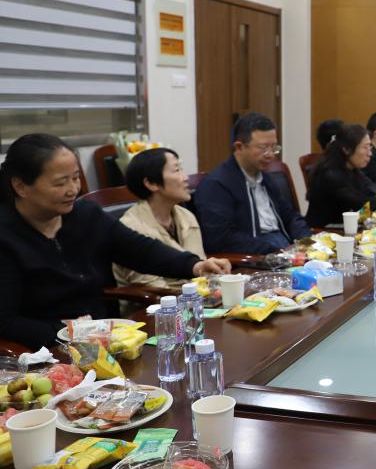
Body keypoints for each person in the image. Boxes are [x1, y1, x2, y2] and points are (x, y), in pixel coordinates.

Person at [0, 134, 229, 349]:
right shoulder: (6, 237)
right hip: (46, 352)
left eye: (76, 178)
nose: (73, 190)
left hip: (107, 341)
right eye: (60, 183)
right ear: (21, 186)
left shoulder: (86, 216)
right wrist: (69, 335)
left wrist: (194, 265)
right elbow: (6, 321)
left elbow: (141, 250)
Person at [193, 113, 310, 254]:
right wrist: (278, 252)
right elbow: (222, 239)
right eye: (263, 148)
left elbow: (290, 216)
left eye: (274, 148)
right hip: (256, 255)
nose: (270, 154)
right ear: (239, 147)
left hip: (284, 248)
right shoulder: (216, 185)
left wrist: (306, 242)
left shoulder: (265, 178)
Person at [113, 147, 207, 289]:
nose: (185, 177)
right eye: (176, 170)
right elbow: (152, 287)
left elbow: (201, 272)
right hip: (158, 301)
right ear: (151, 183)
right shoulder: (130, 227)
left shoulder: (186, 216)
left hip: (197, 297)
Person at [306, 124, 376, 227]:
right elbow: (363, 209)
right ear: (346, 149)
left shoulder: (354, 171)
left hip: (346, 230)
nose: (370, 153)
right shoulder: (330, 175)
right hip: (323, 232)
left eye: (370, 147)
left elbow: (370, 201)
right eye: (365, 147)